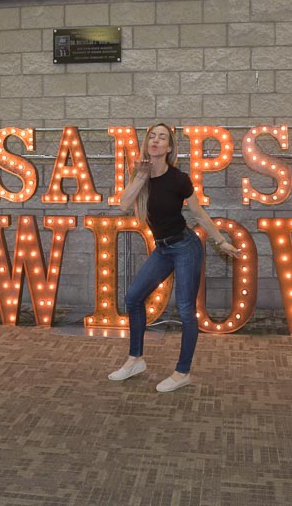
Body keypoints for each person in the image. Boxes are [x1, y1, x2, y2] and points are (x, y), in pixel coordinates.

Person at [107, 123, 241, 393]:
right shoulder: (140, 174)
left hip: (185, 247)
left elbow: (198, 213)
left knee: (185, 310)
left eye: (162, 138)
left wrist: (221, 240)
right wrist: (141, 176)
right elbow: (123, 205)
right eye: (152, 136)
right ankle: (136, 360)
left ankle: (182, 372)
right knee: (133, 298)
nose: (156, 141)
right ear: (147, 144)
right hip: (163, 249)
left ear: (169, 148)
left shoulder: (179, 179)